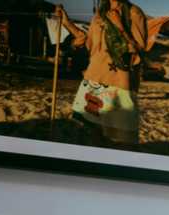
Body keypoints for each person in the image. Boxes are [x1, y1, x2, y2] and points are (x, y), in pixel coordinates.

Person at [55, 1, 150, 145]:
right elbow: (88, 43)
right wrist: (67, 23)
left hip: (119, 84)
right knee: (93, 134)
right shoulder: (100, 13)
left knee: (119, 140)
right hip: (94, 80)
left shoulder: (134, 13)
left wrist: (120, 26)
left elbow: (139, 50)